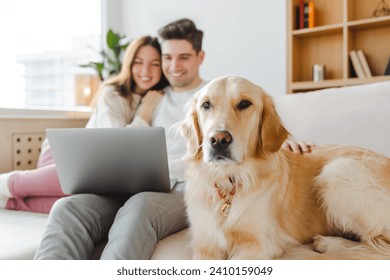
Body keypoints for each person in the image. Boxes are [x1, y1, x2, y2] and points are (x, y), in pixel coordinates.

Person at [34, 18, 313, 260]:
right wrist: (142, 112)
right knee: (66, 207)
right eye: (167, 58)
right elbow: (119, 142)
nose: (174, 66)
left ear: (199, 57)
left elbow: (254, 121)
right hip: (129, 185)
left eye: (184, 57)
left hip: (179, 189)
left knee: (139, 207)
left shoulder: (216, 94)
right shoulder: (150, 95)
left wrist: (284, 142)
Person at [0, 35, 168, 214]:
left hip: (102, 170)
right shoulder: (113, 94)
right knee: (79, 183)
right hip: (66, 156)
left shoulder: (159, 97)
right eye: (138, 62)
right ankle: (5, 184)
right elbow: (119, 147)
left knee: (82, 205)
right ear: (129, 64)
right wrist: (145, 112)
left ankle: (9, 203)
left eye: (155, 64)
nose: (146, 70)